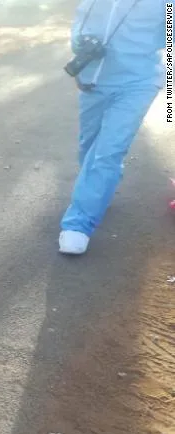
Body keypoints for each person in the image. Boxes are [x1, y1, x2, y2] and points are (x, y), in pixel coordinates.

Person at [58, 0, 165, 255]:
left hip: (139, 83)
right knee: (88, 146)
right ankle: (102, 186)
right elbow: (81, 21)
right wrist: (80, 47)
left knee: (108, 151)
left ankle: (79, 224)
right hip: (92, 81)